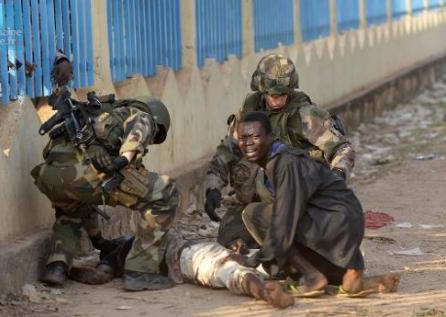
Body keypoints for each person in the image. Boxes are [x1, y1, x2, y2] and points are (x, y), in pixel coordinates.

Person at [31, 53, 178, 291]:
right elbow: (139, 131)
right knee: (165, 193)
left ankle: (56, 267)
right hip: (91, 172)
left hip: (51, 175)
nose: (151, 142)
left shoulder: (99, 112)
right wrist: (123, 159)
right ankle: (141, 271)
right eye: (156, 135)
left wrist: (99, 240)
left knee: (70, 212)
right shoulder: (141, 114)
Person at [232, 111, 399, 297]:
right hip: (344, 222)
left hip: (335, 222)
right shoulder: (279, 159)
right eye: (243, 138)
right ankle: (352, 278)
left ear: (271, 137)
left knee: (255, 214)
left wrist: (255, 259)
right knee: (277, 221)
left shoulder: (285, 162)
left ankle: (312, 277)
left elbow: (285, 219)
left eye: (255, 137)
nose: (248, 144)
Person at [204, 54, 355, 249]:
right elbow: (228, 150)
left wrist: (337, 175)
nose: (277, 100)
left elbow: (342, 148)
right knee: (228, 237)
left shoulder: (305, 115)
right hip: (256, 200)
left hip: (295, 203)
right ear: (261, 89)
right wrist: (213, 187)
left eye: (282, 95)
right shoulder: (250, 109)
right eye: (272, 95)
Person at [68, 231, 294, 309]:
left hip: (193, 252)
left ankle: (289, 278)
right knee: (230, 270)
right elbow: (99, 275)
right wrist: (71, 271)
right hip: (186, 258)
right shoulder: (117, 253)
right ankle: (266, 292)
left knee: (247, 261)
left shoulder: (134, 241)